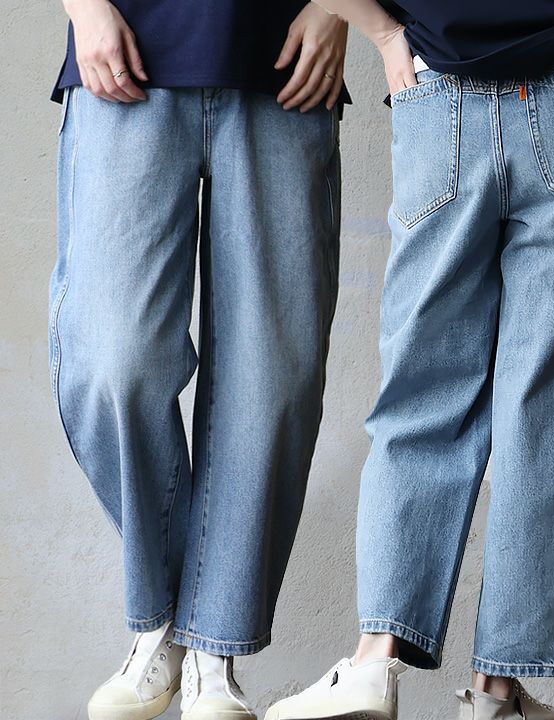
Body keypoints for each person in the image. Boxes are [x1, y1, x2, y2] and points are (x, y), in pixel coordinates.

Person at [266, 0, 554, 718]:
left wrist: (385, 34)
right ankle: (496, 692)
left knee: (420, 394)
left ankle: (374, 661)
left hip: (437, 97)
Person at [47, 1, 348, 719]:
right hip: (125, 54)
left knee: (273, 382)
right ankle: (169, 618)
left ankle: (212, 653)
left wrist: (337, 9)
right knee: (113, 361)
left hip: (286, 62)